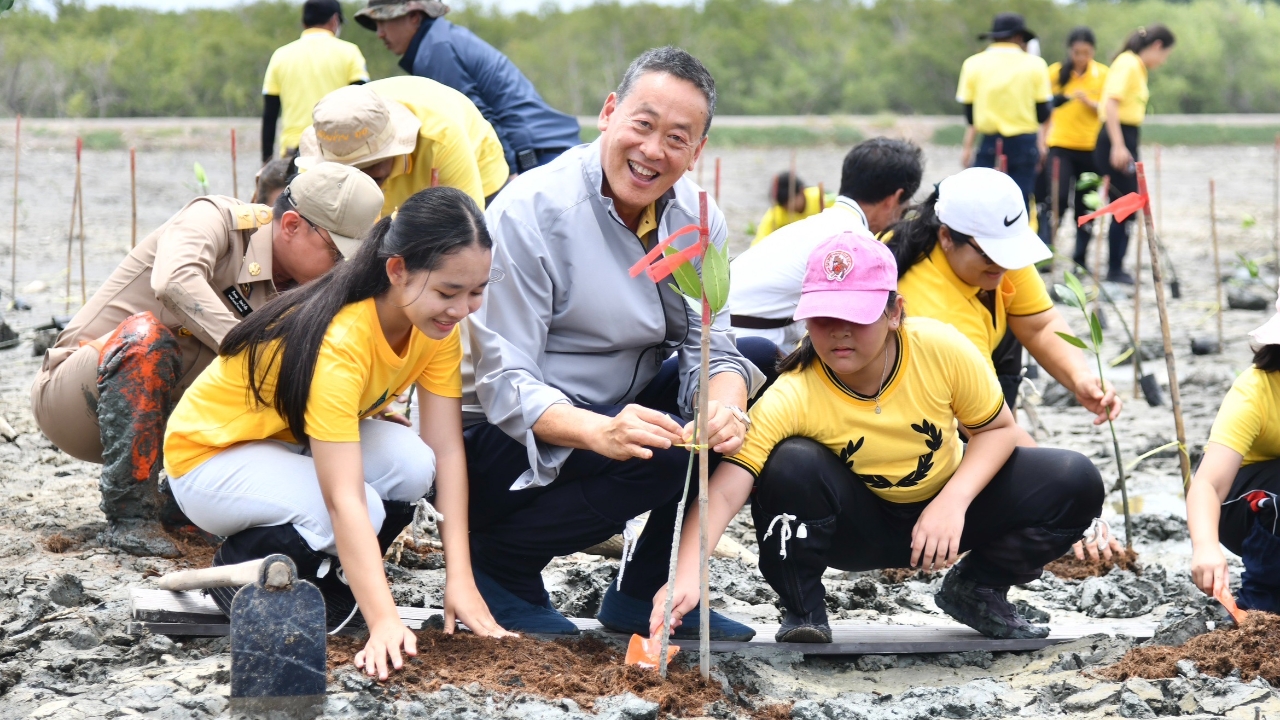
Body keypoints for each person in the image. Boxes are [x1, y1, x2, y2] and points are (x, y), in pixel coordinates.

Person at [649, 231, 1106, 643]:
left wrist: (953, 501)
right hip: (856, 530)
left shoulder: (941, 349)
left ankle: (978, 587)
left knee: (1074, 477)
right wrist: (687, 575)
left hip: (945, 513)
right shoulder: (794, 392)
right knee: (791, 463)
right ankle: (803, 607)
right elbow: (727, 492)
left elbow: (996, 431)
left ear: (894, 313)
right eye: (823, 317)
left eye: (856, 315)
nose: (839, 333)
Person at [463, 47, 774, 638]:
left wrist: (725, 406)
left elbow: (715, 347)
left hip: (618, 406)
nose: (654, 150)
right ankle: (501, 566)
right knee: (663, 449)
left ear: (698, 150)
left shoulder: (698, 221)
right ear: (609, 113)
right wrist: (599, 429)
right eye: (643, 123)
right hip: (498, 443)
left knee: (754, 374)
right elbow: (503, 385)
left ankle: (644, 591)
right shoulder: (531, 212)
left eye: (678, 137)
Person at [164, 187, 512, 680]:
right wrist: (385, 622)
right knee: (362, 508)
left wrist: (462, 578)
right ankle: (243, 565)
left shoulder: (436, 330)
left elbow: (447, 451)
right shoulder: (342, 339)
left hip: (286, 444)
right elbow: (343, 497)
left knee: (414, 462)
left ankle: (336, 571)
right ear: (397, 270)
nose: (461, 308)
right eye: (447, 292)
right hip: (209, 459)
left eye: (476, 291)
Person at [30, 163, 384, 558]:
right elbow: (174, 281)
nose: (341, 269)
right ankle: (130, 518)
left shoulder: (312, 291)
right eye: (336, 252)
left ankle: (177, 505)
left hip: (177, 426)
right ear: (291, 226)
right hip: (78, 402)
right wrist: (251, 348)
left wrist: (367, 404)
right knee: (151, 340)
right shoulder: (215, 220)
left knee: (284, 379)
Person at [729, 138, 924, 349]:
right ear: (895, 199)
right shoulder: (853, 242)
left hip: (718, 327)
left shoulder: (820, 224)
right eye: (905, 208)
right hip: (746, 343)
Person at [356, 0, 580, 174]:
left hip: (537, 156)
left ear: (414, 16)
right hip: (541, 150)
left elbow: (477, 114)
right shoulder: (439, 40)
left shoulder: (435, 49)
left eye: (384, 21)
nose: (380, 33)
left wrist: (509, 171)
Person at [1188, 288, 1280, 613]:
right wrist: (1206, 547)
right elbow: (1208, 484)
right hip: (1241, 505)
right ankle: (1261, 603)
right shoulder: (1255, 390)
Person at [298, 80, 508, 215]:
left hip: (475, 162)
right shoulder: (331, 131)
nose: (361, 180)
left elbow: (468, 229)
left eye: (369, 167)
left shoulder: (442, 138)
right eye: (346, 171)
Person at [1094, 24, 1176, 285]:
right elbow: (1110, 103)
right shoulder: (1128, 63)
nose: (1163, 62)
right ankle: (1114, 268)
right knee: (1126, 201)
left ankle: (1117, 265)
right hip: (1117, 137)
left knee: (1130, 203)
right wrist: (1119, 146)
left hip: (1128, 135)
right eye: (1166, 55)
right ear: (1157, 46)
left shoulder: (1137, 68)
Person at [956, 12, 1052, 207]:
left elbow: (970, 115)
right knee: (1020, 199)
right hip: (1024, 142)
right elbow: (1043, 113)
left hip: (990, 142)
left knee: (982, 200)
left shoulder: (973, 64)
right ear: (1018, 37)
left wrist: (967, 147)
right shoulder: (1036, 65)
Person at [261, 0, 370, 162]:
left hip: (294, 153)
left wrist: (266, 160)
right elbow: (364, 106)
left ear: (304, 22)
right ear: (335, 20)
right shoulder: (350, 53)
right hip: (337, 150)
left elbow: (270, 116)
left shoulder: (280, 56)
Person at [1038, 28, 1107, 264]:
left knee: (1086, 206)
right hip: (1060, 146)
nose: (1081, 58)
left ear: (1093, 52)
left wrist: (1090, 102)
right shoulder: (1055, 73)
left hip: (1091, 148)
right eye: (1077, 52)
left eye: (1086, 53)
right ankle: (1045, 254)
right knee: (1056, 200)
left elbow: (1110, 110)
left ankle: (1080, 258)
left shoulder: (1103, 75)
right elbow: (1044, 110)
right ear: (1070, 51)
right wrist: (1041, 141)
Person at [751, 171, 830, 245]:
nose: (787, 207)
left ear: (801, 191)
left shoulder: (821, 200)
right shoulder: (776, 213)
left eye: (789, 201)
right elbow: (759, 242)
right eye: (783, 204)